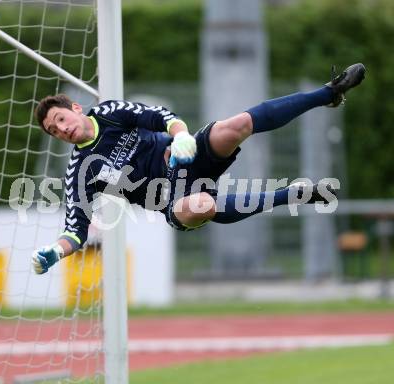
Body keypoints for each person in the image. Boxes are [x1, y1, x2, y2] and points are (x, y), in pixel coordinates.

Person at [32, 63, 366, 274]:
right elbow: (76, 230)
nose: (60, 129)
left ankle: (329, 93)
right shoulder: (80, 172)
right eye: (53, 130)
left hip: (186, 156)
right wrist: (55, 252)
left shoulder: (110, 112)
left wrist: (179, 137)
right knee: (203, 205)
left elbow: (161, 116)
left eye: (60, 119)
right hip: (173, 200)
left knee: (233, 127)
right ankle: (291, 194)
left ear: (75, 108)